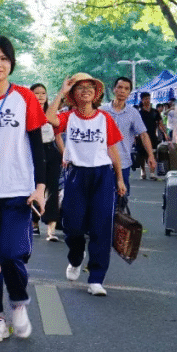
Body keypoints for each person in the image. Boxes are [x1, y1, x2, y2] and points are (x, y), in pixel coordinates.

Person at [0, 37, 46, 343]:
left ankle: (18, 304)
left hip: (17, 189)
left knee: (11, 253)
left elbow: (38, 147)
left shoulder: (24, 98)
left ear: (11, 63)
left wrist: (40, 188)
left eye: (3, 58)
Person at [46, 73, 126, 297]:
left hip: (102, 175)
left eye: (90, 87)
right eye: (80, 88)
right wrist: (61, 91)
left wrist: (119, 178)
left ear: (96, 93)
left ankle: (97, 278)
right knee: (73, 227)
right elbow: (48, 118)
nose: (86, 90)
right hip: (76, 175)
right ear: (73, 95)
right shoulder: (68, 117)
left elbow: (112, 148)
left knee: (102, 227)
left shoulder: (105, 119)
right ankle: (75, 258)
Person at [101, 76, 156, 199]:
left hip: (123, 162)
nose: (122, 91)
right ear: (114, 89)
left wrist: (151, 155)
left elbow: (143, 134)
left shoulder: (133, 113)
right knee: (103, 199)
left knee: (122, 198)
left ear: (129, 93)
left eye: (126, 89)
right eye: (119, 87)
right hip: (102, 161)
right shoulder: (102, 111)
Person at [30, 83, 64, 241]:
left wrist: (64, 155)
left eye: (43, 93)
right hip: (33, 153)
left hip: (51, 152)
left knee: (53, 190)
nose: (41, 96)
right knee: (35, 188)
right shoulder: (26, 113)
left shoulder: (51, 113)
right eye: (36, 93)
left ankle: (51, 229)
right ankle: (34, 223)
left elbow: (58, 136)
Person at [136, 91, 168, 180]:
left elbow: (160, 123)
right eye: (145, 99)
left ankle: (152, 172)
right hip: (141, 136)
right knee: (142, 155)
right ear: (142, 100)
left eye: (149, 98)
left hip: (152, 136)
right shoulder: (138, 112)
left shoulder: (155, 112)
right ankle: (143, 170)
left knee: (152, 154)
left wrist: (165, 133)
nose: (147, 100)